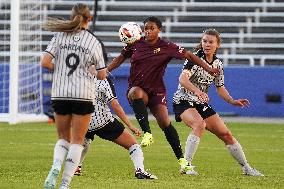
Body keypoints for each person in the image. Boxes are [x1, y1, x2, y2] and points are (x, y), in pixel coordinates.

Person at [107, 16, 219, 174]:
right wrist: (105, 71)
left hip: (157, 91)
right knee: (135, 92)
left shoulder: (167, 46)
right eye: (146, 28)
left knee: (165, 123)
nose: (148, 31)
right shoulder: (135, 44)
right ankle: (147, 133)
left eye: (152, 28)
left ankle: (183, 161)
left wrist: (207, 68)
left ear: (159, 30)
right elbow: (119, 59)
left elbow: (189, 55)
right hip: (138, 88)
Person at [173, 28, 264, 176]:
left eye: (210, 42)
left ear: (217, 45)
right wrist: (197, 91)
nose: (207, 44)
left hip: (200, 102)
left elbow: (220, 87)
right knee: (199, 124)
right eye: (204, 41)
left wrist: (232, 101)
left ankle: (246, 168)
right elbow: (182, 79)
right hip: (183, 100)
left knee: (226, 134)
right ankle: (186, 166)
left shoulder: (218, 64)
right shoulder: (194, 59)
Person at [42, 3, 107, 189]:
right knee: (78, 140)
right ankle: (64, 183)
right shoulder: (93, 41)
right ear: (90, 19)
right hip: (83, 95)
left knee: (63, 138)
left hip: (60, 94)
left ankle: (55, 166)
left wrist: (59, 68)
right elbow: (102, 75)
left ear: (72, 16)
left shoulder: (59, 36)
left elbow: (45, 62)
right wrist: (91, 69)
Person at [74, 76, 158, 179]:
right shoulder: (104, 79)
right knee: (133, 145)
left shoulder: (78, 76)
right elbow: (115, 105)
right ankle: (140, 170)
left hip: (83, 120)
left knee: (86, 140)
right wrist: (130, 126)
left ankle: (75, 167)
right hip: (103, 121)